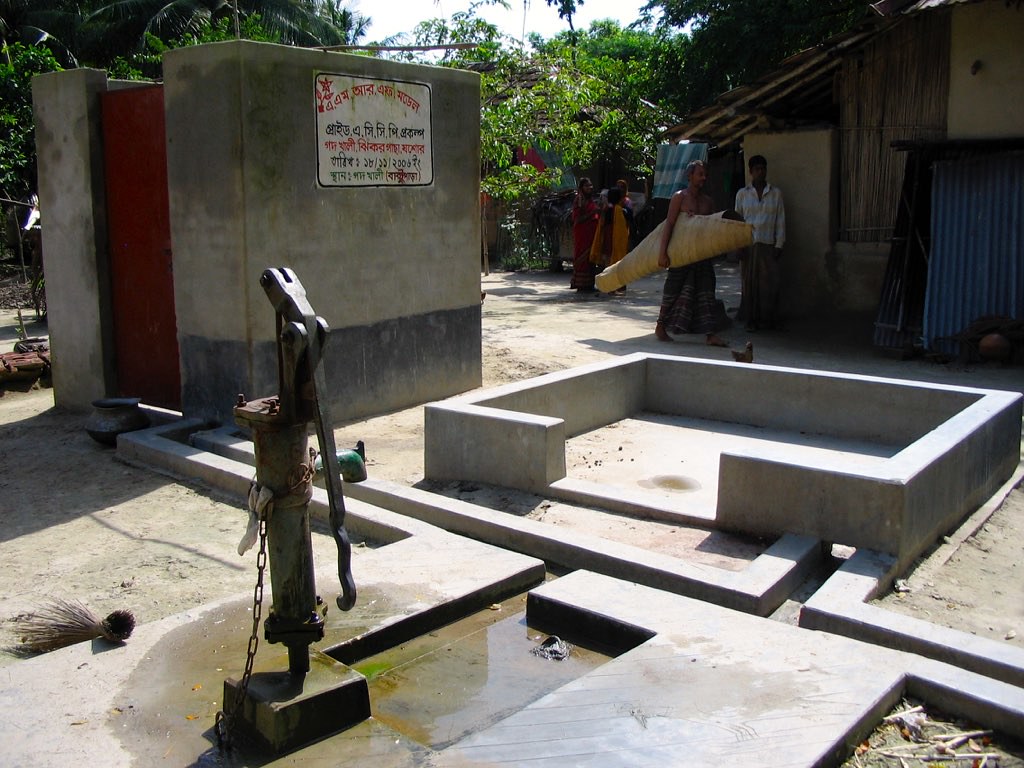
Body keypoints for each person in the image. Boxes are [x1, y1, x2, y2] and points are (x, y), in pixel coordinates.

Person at [654, 160, 728, 346]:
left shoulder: (708, 201)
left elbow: (712, 227)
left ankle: (710, 334)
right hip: (681, 253)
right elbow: (669, 225)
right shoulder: (679, 197)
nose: (704, 178)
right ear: (690, 176)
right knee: (673, 289)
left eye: (705, 174)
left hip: (701, 255)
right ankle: (660, 325)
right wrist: (662, 253)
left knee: (706, 292)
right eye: (700, 174)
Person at [734, 154, 785, 331]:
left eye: (763, 168)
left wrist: (779, 245)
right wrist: (739, 245)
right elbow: (737, 222)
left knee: (769, 284)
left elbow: (780, 220)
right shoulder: (742, 194)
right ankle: (752, 321)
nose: (760, 172)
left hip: (768, 244)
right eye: (757, 169)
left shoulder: (775, 194)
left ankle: (769, 320)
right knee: (750, 285)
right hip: (749, 245)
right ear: (750, 172)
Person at [590, 186, 631, 293]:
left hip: (606, 239)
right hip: (615, 241)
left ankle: (609, 286)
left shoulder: (607, 209)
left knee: (607, 263)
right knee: (616, 263)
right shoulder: (620, 210)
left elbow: (602, 224)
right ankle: (615, 286)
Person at [570, 177, 600, 292]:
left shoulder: (590, 200)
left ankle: (589, 284)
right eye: (587, 186)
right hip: (582, 234)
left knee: (591, 258)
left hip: (591, 234)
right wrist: (593, 212)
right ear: (581, 188)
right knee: (583, 257)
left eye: (590, 185)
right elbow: (577, 219)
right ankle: (581, 284)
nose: (590, 188)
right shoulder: (579, 200)